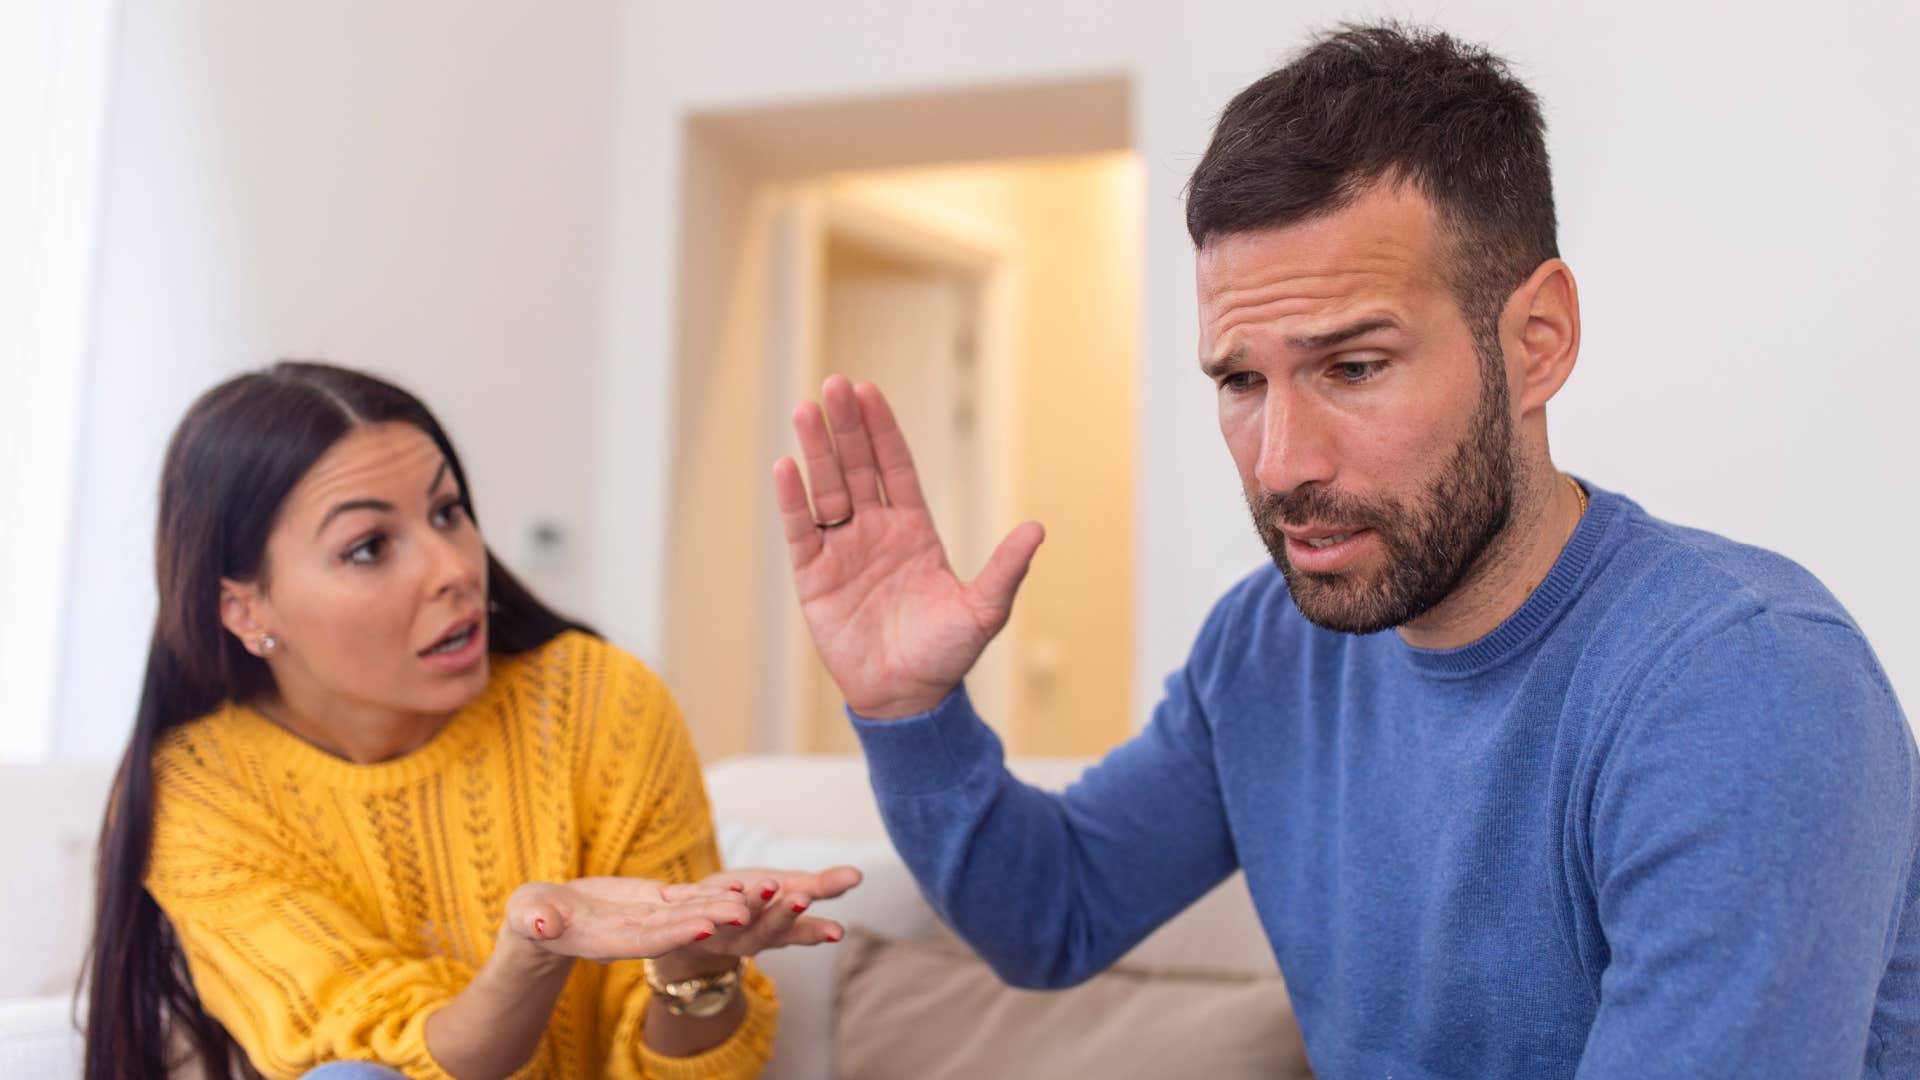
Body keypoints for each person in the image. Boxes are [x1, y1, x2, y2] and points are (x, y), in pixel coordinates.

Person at [770, 23, 1919, 1080]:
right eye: (1240, 380)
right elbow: (1055, 915)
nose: (1279, 465)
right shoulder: (1269, 643)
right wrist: (911, 710)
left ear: (1538, 341)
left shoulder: (1742, 682)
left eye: (1354, 367)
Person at [83, 361, 860, 1080]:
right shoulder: (199, 792)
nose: (455, 567)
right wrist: (534, 951)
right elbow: (372, 1047)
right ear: (245, 609)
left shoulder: (596, 704)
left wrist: (696, 968)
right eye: (369, 548)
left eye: (448, 512)